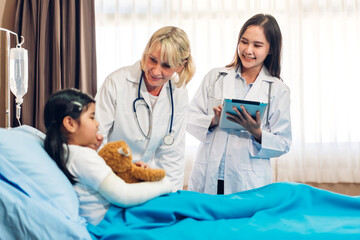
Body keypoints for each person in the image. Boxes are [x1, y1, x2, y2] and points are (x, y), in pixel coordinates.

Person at [187, 14, 292, 195]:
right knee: (205, 222)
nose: (248, 50)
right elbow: (188, 118)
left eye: (257, 45)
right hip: (208, 175)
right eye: (244, 42)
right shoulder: (215, 77)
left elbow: (283, 143)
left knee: (242, 222)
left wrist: (257, 132)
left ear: (271, 49)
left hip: (247, 180)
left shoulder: (277, 89)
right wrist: (213, 121)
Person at [43, 88, 172, 225]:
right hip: (112, 221)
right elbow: (124, 195)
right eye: (92, 117)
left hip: (107, 218)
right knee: (187, 203)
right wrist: (164, 184)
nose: (97, 123)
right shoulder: (83, 157)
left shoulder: (66, 153)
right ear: (70, 124)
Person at [95, 26, 196, 191]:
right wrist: (109, 181)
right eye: (152, 60)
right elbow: (97, 140)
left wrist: (170, 197)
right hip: (110, 176)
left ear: (180, 66)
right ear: (146, 53)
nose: (156, 71)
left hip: (144, 180)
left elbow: (172, 156)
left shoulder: (178, 94)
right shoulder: (117, 83)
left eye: (166, 65)